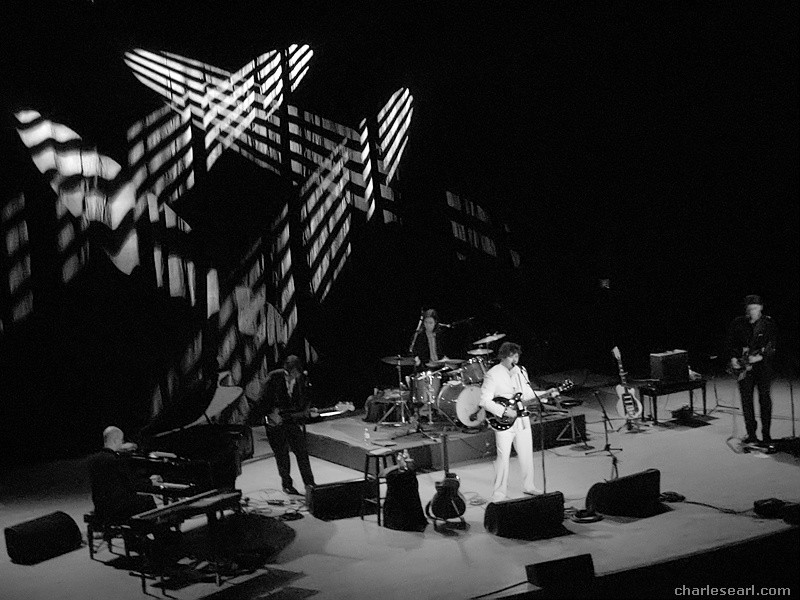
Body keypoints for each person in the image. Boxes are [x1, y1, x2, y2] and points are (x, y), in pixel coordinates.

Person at [479, 342, 560, 502]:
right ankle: (499, 492)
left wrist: (546, 393)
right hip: (504, 421)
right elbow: (484, 400)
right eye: (512, 356)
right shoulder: (493, 374)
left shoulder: (521, 371)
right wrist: (504, 411)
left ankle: (529, 486)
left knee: (526, 454)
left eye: (517, 356)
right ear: (504, 357)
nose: (515, 360)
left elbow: (528, 394)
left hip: (522, 418)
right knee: (503, 457)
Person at [259, 355, 316, 495]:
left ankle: (310, 484)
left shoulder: (300, 379)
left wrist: (306, 410)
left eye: (297, 374)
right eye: (293, 373)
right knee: (282, 455)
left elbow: (302, 399)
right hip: (275, 422)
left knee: (302, 451)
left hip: (290, 419)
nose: (295, 377)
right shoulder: (274, 378)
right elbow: (262, 400)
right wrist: (270, 414)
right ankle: (287, 484)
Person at [725, 295, 778, 445]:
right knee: (746, 401)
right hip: (744, 368)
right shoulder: (738, 323)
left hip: (763, 367)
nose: (752, 312)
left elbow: (772, 346)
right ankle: (751, 434)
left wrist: (759, 357)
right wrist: (733, 358)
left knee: (764, 400)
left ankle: (766, 435)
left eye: (754, 308)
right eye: (749, 309)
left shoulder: (768, 323)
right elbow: (731, 343)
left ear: (761, 307)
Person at [87, 426, 159, 525]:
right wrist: (151, 481)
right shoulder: (116, 460)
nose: (122, 443)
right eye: (121, 440)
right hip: (118, 509)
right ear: (115, 440)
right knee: (147, 500)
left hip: (101, 508)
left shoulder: (93, 459)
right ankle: (153, 530)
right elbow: (133, 484)